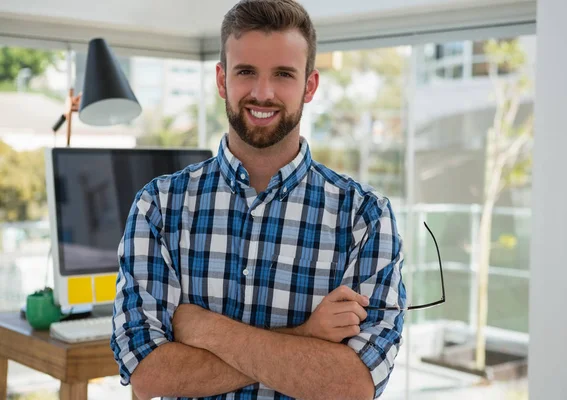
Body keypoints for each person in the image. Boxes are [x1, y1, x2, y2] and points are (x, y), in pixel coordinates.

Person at [111, 0, 406, 399]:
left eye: (283, 74)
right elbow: (150, 375)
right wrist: (306, 335)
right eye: (246, 71)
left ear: (309, 85)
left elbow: (352, 385)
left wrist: (205, 329)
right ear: (222, 80)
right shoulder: (159, 207)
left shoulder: (365, 218)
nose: (262, 93)